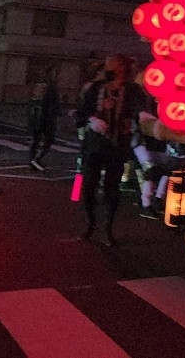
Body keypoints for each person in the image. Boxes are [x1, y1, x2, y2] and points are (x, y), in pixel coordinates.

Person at [77, 55, 147, 246]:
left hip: (118, 145)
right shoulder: (95, 88)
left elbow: (141, 110)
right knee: (88, 185)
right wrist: (92, 120)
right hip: (94, 145)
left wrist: (141, 118)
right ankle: (90, 225)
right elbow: (82, 111)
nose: (113, 67)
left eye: (117, 63)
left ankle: (107, 229)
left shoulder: (133, 90)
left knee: (112, 187)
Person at [27, 74, 60, 171]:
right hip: (47, 119)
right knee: (48, 141)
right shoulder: (51, 89)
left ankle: (32, 160)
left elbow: (32, 105)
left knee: (35, 140)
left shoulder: (37, 89)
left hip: (36, 119)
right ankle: (36, 159)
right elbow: (54, 105)